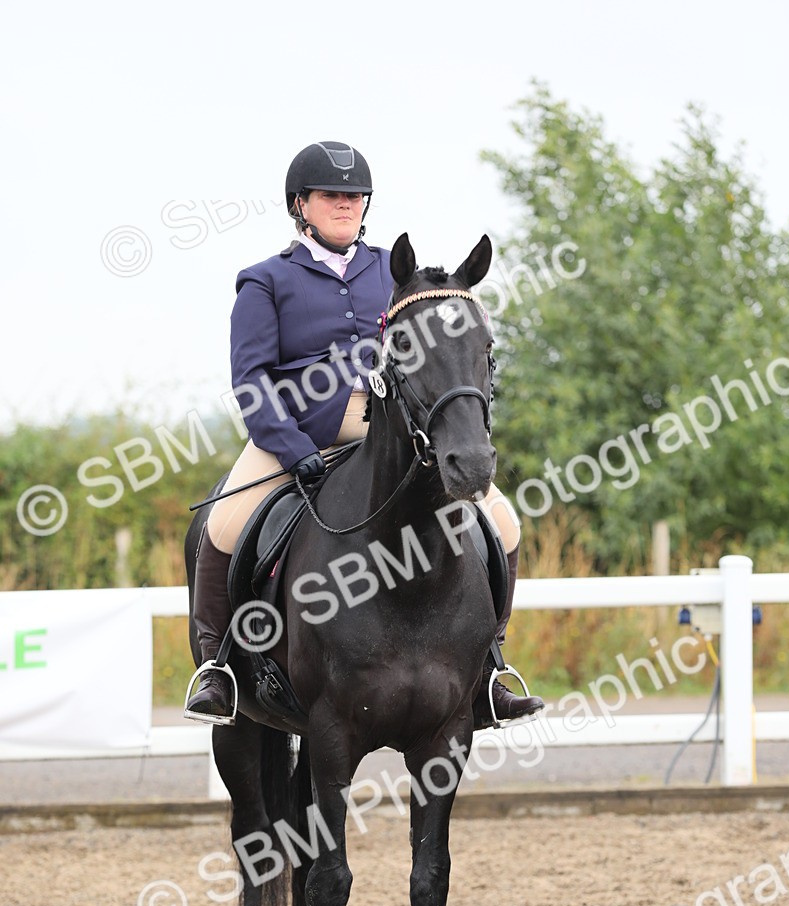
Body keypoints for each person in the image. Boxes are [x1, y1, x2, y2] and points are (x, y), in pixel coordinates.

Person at [185, 140, 541, 726]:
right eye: (331, 196)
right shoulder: (265, 281)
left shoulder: (391, 271)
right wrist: (294, 450)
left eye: (354, 196)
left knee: (501, 523)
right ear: (301, 204)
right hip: (297, 432)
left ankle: (489, 671)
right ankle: (217, 670)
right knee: (223, 526)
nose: (345, 205)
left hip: (394, 435)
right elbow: (252, 383)